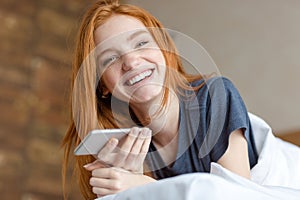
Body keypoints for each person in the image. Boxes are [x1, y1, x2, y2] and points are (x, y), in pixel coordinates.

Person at [62, 0, 258, 199]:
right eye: (110, 58)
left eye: (141, 43)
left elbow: (239, 195)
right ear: (102, 85)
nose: (131, 62)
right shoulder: (118, 147)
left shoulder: (215, 97)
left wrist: (145, 188)